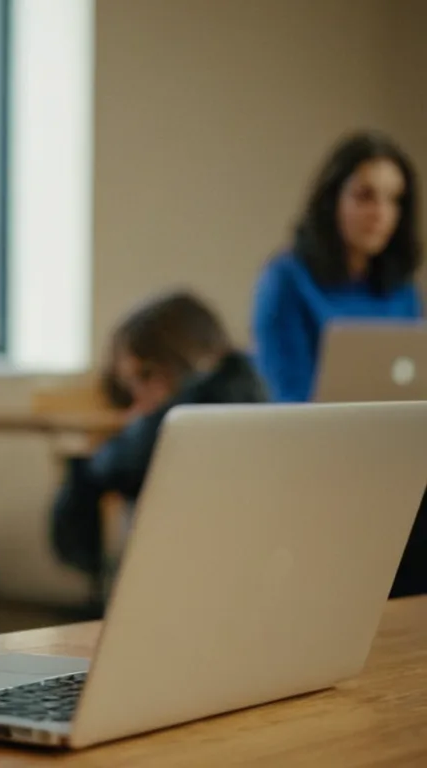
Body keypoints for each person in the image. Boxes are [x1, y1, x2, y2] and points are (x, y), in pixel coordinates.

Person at [50, 291, 266, 582]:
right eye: (130, 386)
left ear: (189, 359)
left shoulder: (182, 421)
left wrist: (131, 434)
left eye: (147, 376)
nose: (141, 398)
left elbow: (108, 467)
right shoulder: (256, 394)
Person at [251, 131, 422, 403]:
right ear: (333, 200)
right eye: (365, 196)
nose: (380, 213)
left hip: (394, 434)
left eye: (394, 200)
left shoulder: (402, 290)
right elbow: (288, 397)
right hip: (314, 437)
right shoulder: (287, 280)